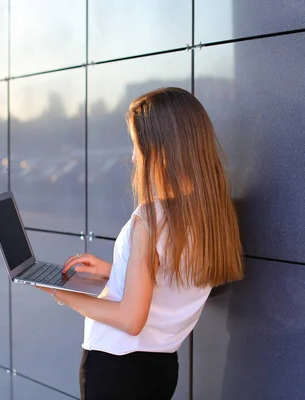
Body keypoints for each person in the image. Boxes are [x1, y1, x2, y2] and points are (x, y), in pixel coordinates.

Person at [38, 87, 244, 400]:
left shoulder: (151, 217)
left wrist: (61, 293)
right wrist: (114, 270)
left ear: (162, 148)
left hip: (117, 370)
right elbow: (172, 276)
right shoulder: (212, 213)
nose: (134, 157)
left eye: (137, 145)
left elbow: (131, 321)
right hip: (161, 367)